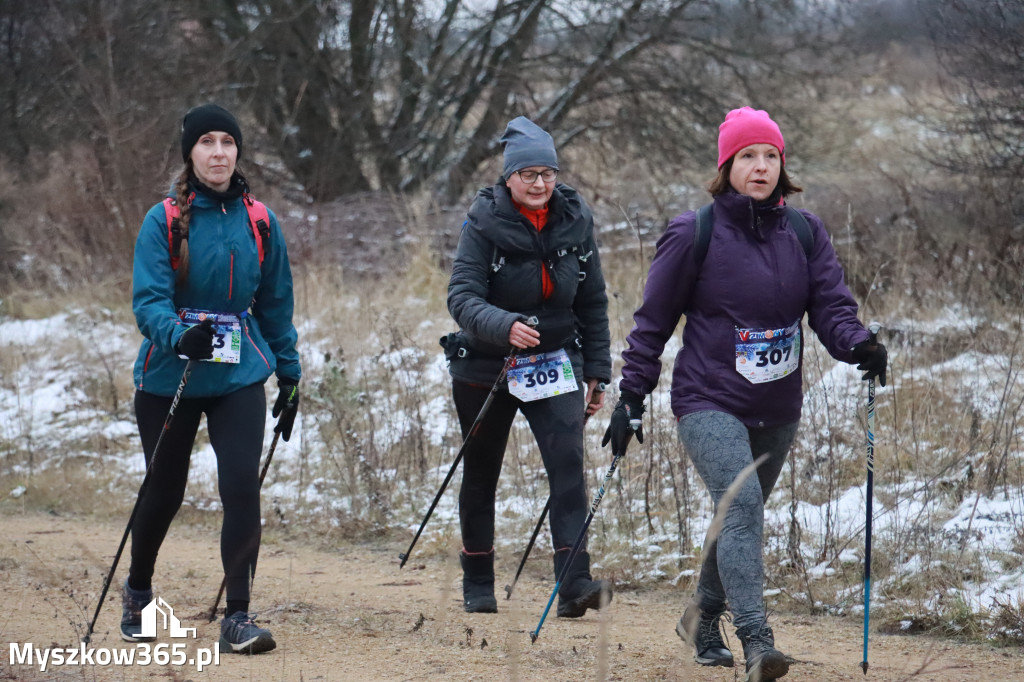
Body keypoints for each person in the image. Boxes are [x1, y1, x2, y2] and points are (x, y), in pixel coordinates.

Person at [602, 107, 887, 681]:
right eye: (747, 157)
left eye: (771, 156)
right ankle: (758, 641)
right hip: (708, 397)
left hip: (777, 403)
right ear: (726, 166)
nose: (761, 167)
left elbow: (830, 308)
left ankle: (700, 620)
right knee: (743, 507)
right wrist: (631, 394)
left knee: (737, 518)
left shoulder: (805, 232)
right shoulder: (694, 232)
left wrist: (858, 344)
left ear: (783, 165)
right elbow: (653, 321)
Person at [122, 104, 301, 655]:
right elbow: (148, 299)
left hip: (237, 373)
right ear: (191, 153)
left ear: (238, 151)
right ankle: (138, 592)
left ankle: (239, 617)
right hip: (170, 373)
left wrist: (290, 372)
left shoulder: (261, 221)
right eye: (207, 142)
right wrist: (177, 334)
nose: (219, 152)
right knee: (164, 489)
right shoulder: (166, 219)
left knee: (241, 485)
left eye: (227, 141)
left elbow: (275, 305)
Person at [442, 116, 613, 617]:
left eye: (548, 173)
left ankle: (574, 583)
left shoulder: (575, 224)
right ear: (509, 178)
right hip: (485, 364)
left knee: (566, 465)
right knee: (481, 472)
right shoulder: (482, 224)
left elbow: (594, 302)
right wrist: (505, 325)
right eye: (529, 175)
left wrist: (598, 370)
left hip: (554, 359)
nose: (540, 184)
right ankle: (478, 579)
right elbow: (462, 297)